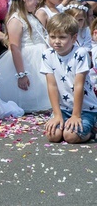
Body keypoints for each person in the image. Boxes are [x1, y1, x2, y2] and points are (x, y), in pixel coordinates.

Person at [0, 0, 51, 113]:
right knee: (31, 87)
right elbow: (15, 48)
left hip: (40, 56)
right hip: (27, 60)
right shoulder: (16, 20)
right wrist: (21, 74)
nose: (37, 2)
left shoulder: (31, 16)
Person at [42, 14, 97, 144]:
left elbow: (79, 85)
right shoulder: (47, 55)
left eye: (62, 37)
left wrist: (76, 115)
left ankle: (92, 129)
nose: (56, 41)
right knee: (53, 136)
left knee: (70, 136)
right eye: (52, 36)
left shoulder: (80, 53)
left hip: (85, 108)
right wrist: (57, 114)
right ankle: (65, 121)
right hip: (63, 108)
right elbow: (52, 85)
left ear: (73, 38)